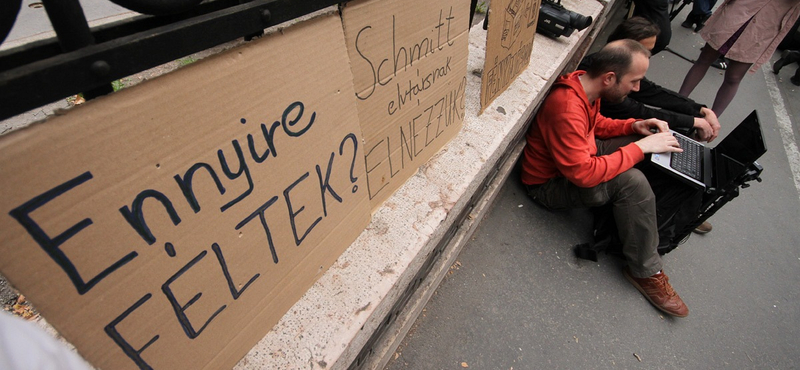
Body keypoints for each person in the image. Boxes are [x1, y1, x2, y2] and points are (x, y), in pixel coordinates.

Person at [521, 39, 690, 317]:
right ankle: (645, 271)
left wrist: (634, 126)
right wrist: (639, 148)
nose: (637, 88)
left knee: (642, 140)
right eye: (634, 81)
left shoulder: (586, 86)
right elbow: (584, 174)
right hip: (548, 186)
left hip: (582, 159)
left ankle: (672, 204)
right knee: (632, 179)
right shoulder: (566, 106)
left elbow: (595, 125)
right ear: (610, 78)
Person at [579, 16, 719, 234]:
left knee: (661, 138)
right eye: (645, 52)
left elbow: (651, 93)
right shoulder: (582, 95)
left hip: (593, 144)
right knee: (637, 173)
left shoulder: (604, 77)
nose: (649, 58)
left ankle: (674, 208)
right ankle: (664, 211)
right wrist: (642, 143)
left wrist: (697, 109)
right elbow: (582, 171)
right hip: (584, 159)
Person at [679, 0, 800, 117]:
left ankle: (710, 124)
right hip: (740, 9)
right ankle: (678, 102)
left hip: (767, 23)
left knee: (734, 77)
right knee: (704, 59)